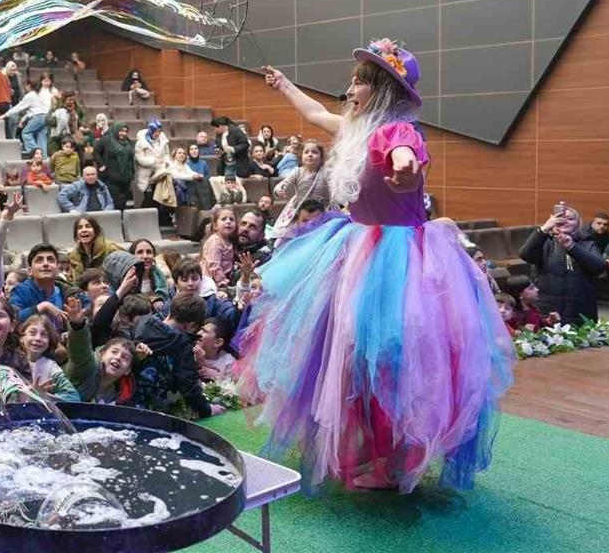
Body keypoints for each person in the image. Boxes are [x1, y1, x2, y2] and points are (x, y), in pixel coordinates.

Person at [237, 41, 514, 493]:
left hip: (396, 262)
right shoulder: (356, 127)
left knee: (390, 361)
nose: (350, 89)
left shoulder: (396, 131)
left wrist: (406, 172)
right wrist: (284, 84)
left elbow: (405, 154)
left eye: (360, 82)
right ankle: (366, 448)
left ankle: (396, 459)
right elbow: (315, 114)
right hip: (354, 249)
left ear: (382, 89)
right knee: (347, 359)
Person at [131, 294, 222, 417]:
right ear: (190, 325)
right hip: (157, 408)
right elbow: (187, 383)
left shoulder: (143, 323)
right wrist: (207, 409)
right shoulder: (181, 343)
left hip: (129, 396)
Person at [518, 204, 607, 326]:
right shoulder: (544, 241)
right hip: (548, 309)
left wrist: (572, 247)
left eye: (570, 218)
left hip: (580, 310)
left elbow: (599, 267)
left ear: (577, 223)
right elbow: (525, 254)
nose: (565, 221)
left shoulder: (587, 243)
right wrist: (544, 229)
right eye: (560, 217)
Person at [8, 244, 79, 325]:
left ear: (57, 269)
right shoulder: (21, 291)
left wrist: (78, 324)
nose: (46, 264)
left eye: (50, 260)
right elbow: (12, 318)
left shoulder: (68, 292)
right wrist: (42, 307)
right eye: (39, 261)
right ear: (30, 271)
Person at [20, 313, 80, 402]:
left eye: (44, 335)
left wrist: (45, 397)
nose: (38, 338)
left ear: (49, 341)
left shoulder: (51, 367)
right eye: (32, 333)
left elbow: (74, 398)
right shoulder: (10, 360)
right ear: (22, 338)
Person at [0, 77, 52, 155]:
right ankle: (44, 156)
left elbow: (19, 107)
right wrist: (23, 119)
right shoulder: (38, 95)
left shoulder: (30, 95)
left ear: (28, 86)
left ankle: (36, 152)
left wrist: (5, 115)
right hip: (45, 117)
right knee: (41, 137)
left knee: (26, 133)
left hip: (38, 117)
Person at [97, 122, 136, 210]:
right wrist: (101, 164)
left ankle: (122, 217)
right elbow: (96, 152)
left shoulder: (128, 142)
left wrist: (132, 173)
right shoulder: (107, 140)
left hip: (126, 177)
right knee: (114, 201)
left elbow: (131, 158)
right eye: (121, 131)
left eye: (126, 131)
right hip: (112, 177)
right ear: (116, 130)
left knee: (123, 201)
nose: (124, 133)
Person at [134, 119, 170, 204]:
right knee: (148, 199)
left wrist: (165, 161)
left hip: (159, 173)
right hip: (147, 174)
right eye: (155, 131)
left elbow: (166, 154)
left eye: (159, 131)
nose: (157, 134)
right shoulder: (140, 143)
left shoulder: (163, 141)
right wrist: (154, 161)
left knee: (159, 200)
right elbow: (140, 158)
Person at [200, 206, 238, 287]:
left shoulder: (229, 240)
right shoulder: (215, 241)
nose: (228, 221)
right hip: (211, 280)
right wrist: (221, 281)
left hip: (224, 276)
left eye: (231, 219)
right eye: (224, 219)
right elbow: (213, 265)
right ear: (215, 226)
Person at [195, 317, 237, 381]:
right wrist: (199, 364)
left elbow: (234, 385)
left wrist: (219, 377)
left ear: (218, 342)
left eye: (204, 331)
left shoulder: (229, 362)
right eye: (200, 329)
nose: (198, 333)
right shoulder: (188, 352)